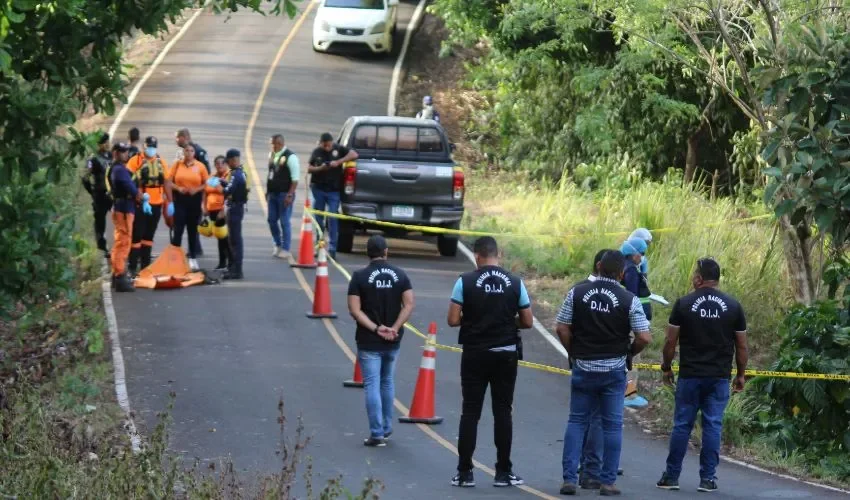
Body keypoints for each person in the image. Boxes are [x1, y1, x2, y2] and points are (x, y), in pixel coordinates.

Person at [556, 250, 652, 496]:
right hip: (613, 370)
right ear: (621, 273)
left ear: (598, 267)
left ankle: (569, 479)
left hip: (584, 367)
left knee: (577, 421)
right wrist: (629, 352)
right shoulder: (628, 298)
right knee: (612, 426)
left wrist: (572, 351)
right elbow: (644, 336)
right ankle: (607, 481)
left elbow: (562, 327)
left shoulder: (577, 292)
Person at [447, 236, 533, 488]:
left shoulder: (465, 281)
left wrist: (475, 319)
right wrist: (506, 322)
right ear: (498, 254)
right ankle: (503, 472)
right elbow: (527, 321)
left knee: (470, 411)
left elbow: (453, 319)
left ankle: (464, 472)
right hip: (505, 354)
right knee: (503, 412)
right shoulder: (516, 282)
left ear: (476, 255)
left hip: (475, 353)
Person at [656, 258, 748, 494]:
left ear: (699, 278)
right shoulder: (733, 306)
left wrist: (666, 367)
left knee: (681, 425)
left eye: (694, 274)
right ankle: (707, 479)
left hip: (690, 375)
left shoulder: (684, 303)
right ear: (716, 279)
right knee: (713, 426)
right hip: (718, 376)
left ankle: (671, 476)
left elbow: (670, 341)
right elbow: (742, 346)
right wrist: (740, 375)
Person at [347, 235, 415, 447]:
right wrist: (394, 328)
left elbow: (355, 310)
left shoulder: (359, 277)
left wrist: (377, 328)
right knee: (387, 382)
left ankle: (376, 432)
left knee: (372, 384)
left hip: (369, 340)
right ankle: (386, 427)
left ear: (368, 253)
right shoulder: (400, 275)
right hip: (393, 341)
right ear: (386, 251)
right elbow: (409, 304)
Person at [308, 132, 358, 258]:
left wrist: (339, 161)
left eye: (329, 145)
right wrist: (320, 168)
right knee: (318, 218)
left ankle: (332, 248)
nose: (327, 148)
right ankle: (318, 246)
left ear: (332, 143)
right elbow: (309, 168)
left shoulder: (338, 149)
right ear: (320, 143)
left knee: (332, 218)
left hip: (333, 191)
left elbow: (354, 154)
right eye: (324, 146)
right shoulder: (316, 152)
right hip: (318, 189)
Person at [126, 136, 169, 274]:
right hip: (141, 202)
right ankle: (133, 267)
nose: (150, 149)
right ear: (144, 146)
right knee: (137, 235)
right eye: (148, 146)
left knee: (149, 236)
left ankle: (145, 267)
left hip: (157, 203)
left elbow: (166, 181)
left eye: (153, 146)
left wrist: (170, 201)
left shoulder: (161, 162)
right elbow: (129, 181)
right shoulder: (135, 161)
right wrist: (140, 198)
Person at [165, 143, 208, 272]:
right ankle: (175, 259)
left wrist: (197, 190)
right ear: (183, 153)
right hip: (180, 200)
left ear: (194, 153)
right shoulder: (177, 165)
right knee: (178, 229)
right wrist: (178, 189)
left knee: (192, 230)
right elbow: (168, 181)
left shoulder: (200, 166)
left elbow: (206, 184)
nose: (188, 153)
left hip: (194, 200)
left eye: (191, 151)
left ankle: (193, 258)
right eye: (186, 151)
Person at [108, 142, 141, 292]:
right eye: (122, 152)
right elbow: (131, 188)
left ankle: (117, 274)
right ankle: (120, 275)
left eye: (126, 151)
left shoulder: (118, 168)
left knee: (120, 241)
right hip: (124, 208)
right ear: (115, 153)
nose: (126, 154)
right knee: (124, 242)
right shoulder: (119, 170)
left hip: (122, 207)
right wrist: (140, 196)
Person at [176, 128, 209, 256]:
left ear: (184, 137)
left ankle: (194, 249)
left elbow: (205, 173)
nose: (176, 140)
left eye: (178, 137)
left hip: (196, 193)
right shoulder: (181, 152)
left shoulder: (199, 152)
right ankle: (195, 247)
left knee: (193, 221)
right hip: (183, 194)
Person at [267, 134, 300, 259]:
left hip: (284, 194)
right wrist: (268, 191)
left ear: (279, 143)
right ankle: (277, 243)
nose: (272, 146)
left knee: (284, 221)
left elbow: (295, 179)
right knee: (271, 219)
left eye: (273, 144)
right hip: (273, 194)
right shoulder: (271, 155)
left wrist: (290, 194)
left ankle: (286, 248)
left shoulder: (291, 157)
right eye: (271, 144)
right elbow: (270, 174)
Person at [82, 133, 112, 257]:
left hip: (111, 193)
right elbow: (85, 177)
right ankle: (102, 248)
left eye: (107, 142)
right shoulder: (93, 159)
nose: (107, 144)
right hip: (99, 194)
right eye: (104, 143)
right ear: (98, 144)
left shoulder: (110, 155)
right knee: (100, 222)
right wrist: (92, 191)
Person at [220, 148, 248, 280]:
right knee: (234, 239)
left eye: (228, 161)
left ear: (232, 160)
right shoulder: (240, 172)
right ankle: (234, 268)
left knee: (235, 240)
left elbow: (228, 190)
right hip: (237, 207)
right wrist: (223, 182)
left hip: (235, 209)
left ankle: (237, 270)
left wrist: (220, 187)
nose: (228, 164)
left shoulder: (236, 174)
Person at [205, 156, 231, 271]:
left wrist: (223, 210)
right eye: (217, 163)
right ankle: (222, 263)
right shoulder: (212, 177)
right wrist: (204, 206)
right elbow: (205, 192)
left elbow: (228, 194)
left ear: (226, 164)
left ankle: (230, 263)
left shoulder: (228, 177)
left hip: (222, 211)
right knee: (219, 237)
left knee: (225, 237)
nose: (219, 165)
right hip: (212, 210)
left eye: (222, 163)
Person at [620, 239, 652, 321]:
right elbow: (632, 295)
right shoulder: (631, 270)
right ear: (634, 253)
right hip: (639, 313)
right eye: (642, 253)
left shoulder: (626, 265)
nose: (642, 258)